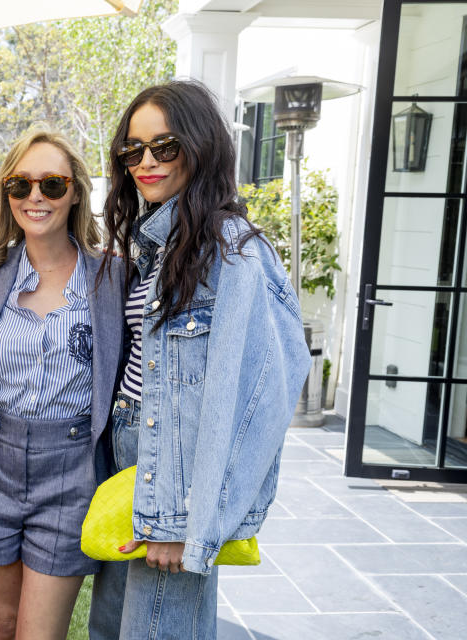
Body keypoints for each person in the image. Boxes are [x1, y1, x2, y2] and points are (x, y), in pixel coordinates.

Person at [87, 80, 312, 639]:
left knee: (158, 628)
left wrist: (186, 516)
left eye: (165, 147)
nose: (146, 162)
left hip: (174, 471)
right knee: (117, 624)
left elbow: (256, 392)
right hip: (131, 449)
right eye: (132, 150)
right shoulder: (161, 242)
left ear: (200, 145)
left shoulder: (230, 248)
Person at [0, 129, 125, 640]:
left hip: (71, 469)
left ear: (75, 190)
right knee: (1, 623)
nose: (35, 197)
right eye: (20, 184)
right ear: (7, 194)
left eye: (51, 185)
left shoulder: (113, 278)